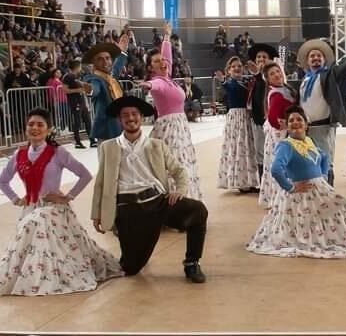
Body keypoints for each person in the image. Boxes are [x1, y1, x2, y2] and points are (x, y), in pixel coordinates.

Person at [247, 106, 346, 258]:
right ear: (287, 126)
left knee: (342, 206)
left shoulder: (308, 141)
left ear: (306, 125)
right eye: (291, 120)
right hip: (301, 194)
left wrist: (323, 175)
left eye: (299, 119)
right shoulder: (286, 146)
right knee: (308, 221)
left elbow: (324, 157)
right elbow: (276, 169)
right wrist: (291, 187)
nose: (295, 122)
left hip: (318, 188)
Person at [0, 108, 122, 296]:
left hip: (55, 209)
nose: (35, 128)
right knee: (32, 229)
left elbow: (84, 175)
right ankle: (36, 277)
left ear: (48, 129)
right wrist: (16, 199)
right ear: (25, 128)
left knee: (38, 220)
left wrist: (67, 196)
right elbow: (3, 180)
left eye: (40, 125)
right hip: (30, 209)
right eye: (31, 124)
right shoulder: (19, 154)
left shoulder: (58, 153)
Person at [90, 96, 208, 283]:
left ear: (142, 117)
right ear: (120, 119)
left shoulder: (156, 145)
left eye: (134, 114)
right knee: (131, 268)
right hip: (127, 209)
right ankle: (133, 252)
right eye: (125, 115)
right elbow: (101, 182)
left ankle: (192, 262)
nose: (130, 118)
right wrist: (96, 213)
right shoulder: (108, 147)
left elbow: (179, 171)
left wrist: (180, 190)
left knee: (198, 210)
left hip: (157, 202)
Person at [138, 22, 202, 200]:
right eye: (156, 62)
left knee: (183, 162)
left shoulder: (168, 76)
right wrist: (147, 85)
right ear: (150, 67)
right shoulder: (158, 81)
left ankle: (186, 199)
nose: (163, 62)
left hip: (180, 128)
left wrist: (167, 35)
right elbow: (154, 85)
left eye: (162, 60)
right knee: (175, 164)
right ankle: (174, 202)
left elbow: (168, 57)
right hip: (170, 130)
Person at [297, 37, 346, 187]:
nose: (315, 58)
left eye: (319, 56)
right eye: (312, 56)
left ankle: (328, 191)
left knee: (325, 162)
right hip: (306, 129)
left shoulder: (329, 74)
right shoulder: (305, 80)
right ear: (307, 61)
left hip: (324, 127)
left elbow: (344, 69)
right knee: (309, 162)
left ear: (324, 60)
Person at [217, 56, 259, 193]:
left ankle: (250, 180)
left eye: (239, 66)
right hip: (237, 118)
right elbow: (228, 87)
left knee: (248, 148)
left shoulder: (246, 82)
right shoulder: (230, 83)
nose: (237, 68)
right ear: (228, 70)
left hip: (246, 117)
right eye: (233, 66)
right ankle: (240, 181)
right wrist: (223, 81)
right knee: (239, 148)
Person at [259, 63, 297, 208]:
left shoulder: (286, 89)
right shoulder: (275, 94)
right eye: (272, 74)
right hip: (280, 136)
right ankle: (281, 197)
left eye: (278, 71)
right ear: (268, 79)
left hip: (286, 132)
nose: (276, 75)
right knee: (282, 165)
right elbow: (273, 118)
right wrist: (284, 125)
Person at [82, 33, 130, 147]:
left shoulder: (110, 76)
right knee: (109, 159)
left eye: (108, 58)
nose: (105, 62)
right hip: (107, 130)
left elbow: (118, 66)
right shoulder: (93, 78)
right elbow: (95, 89)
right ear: (94, 63)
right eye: (100, 59)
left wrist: (122, 51)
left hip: (122, 127)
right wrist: (90, 90)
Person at [246, 44, 278, 182]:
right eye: (258, 57)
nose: (261, 59)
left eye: (264, 57)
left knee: (273, 152)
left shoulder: (272, 75)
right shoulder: (254, 78)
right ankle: (264, 182)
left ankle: (275, 181)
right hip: (257, 120)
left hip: (271, 122)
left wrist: (259, 74)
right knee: (260, 152)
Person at [62, 59, 92, 149]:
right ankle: (77, 141)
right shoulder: (67, 76)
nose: (81, 68)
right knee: (77, 122)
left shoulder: (77, 76)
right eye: (80, 66)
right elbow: (65, 90)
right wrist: (77, 90)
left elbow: (81, 86)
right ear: (77, 66)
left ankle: (92, 140)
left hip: (81, 101)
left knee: (88, 120)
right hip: (75, 102)